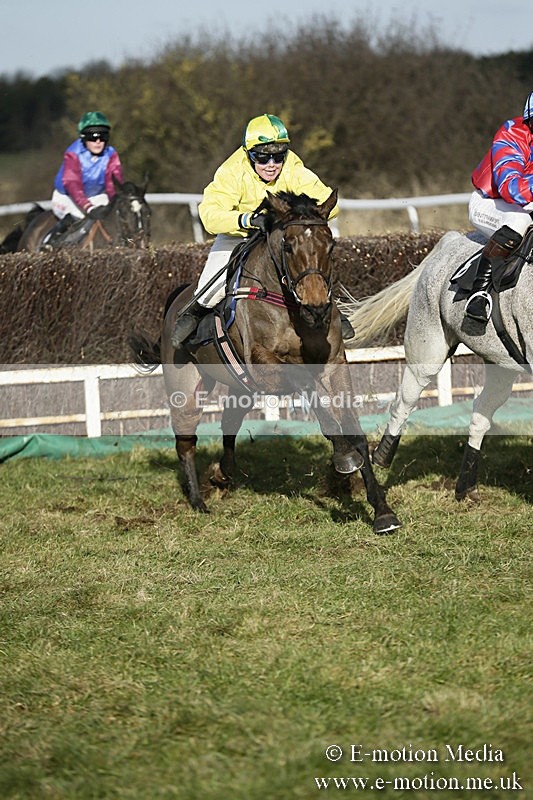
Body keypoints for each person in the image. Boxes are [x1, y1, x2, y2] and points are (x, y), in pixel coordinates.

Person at [171, 113, 353, 347]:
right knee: (212, 288)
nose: (272, 165)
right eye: (263, 158)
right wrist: (246, 220)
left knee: (308, 263)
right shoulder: (231, 172)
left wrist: (302, 215)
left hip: (278, 236)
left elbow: (330, 203)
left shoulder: (293, 167)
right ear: (248, 154)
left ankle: (331, 309)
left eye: (278, 157)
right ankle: (193, 315)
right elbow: (210, 217)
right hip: (239, 235)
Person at [465, 91, 533, 323]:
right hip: (490, 202)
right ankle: (479, 294)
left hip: (525, 203)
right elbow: (510, 188)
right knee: (520, 221)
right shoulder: (512, 134)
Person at [44, 111, 124, 245]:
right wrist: (87, 207)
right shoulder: (73, 153)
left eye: (103, 136)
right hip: (67, 198)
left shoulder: (111, 154)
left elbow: (112, 183)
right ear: (83, 138)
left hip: (96, 195)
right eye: (92, 137)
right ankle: (49, 244)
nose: (98, 141)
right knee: (79, 218)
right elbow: (72, 183)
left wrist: (116, 202)